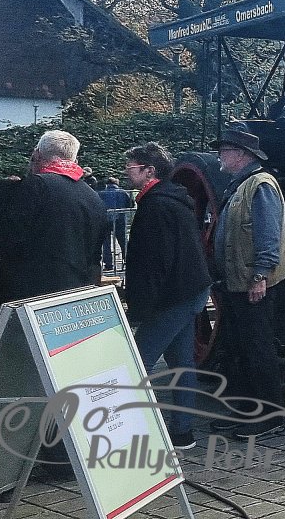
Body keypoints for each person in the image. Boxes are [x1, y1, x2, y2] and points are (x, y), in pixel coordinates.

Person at [0, 131, 109, 356]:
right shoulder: (93, 198)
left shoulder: (29, 189)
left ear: (36, 155)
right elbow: (95, 257)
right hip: (68, 303)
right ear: (75, 159)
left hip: (16, 302)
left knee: (2, 362)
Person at [121, 142, 212, 450]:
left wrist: (140, 309)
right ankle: (182, 432)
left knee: (138, 362)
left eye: (131, 167)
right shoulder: (174, 199)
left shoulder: (156, 206)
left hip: (172, 296)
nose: (127, 172)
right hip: (188, 290)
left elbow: (155, 262)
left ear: (149, 171)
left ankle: (128, 434)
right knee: (180, 363)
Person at [209, 124, 285, 439]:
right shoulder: (241, 184)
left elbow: (268, 235)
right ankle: (245, 410)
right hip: (236, 282)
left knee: (258, 349)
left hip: (251, 283)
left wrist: (260, 276)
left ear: (241, 154)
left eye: (224, 151)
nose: (220, 156)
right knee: (239, 348)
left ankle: (270, 416)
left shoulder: (261, 185)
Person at [99, 176, 133, 270]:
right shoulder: (123, 192)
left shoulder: (101, 193)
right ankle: (127, 261)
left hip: (105, 219)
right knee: (123, 241)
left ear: (107, 184)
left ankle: (108, 264)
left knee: (106, 243)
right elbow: (131, 204)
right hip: (120, 218)